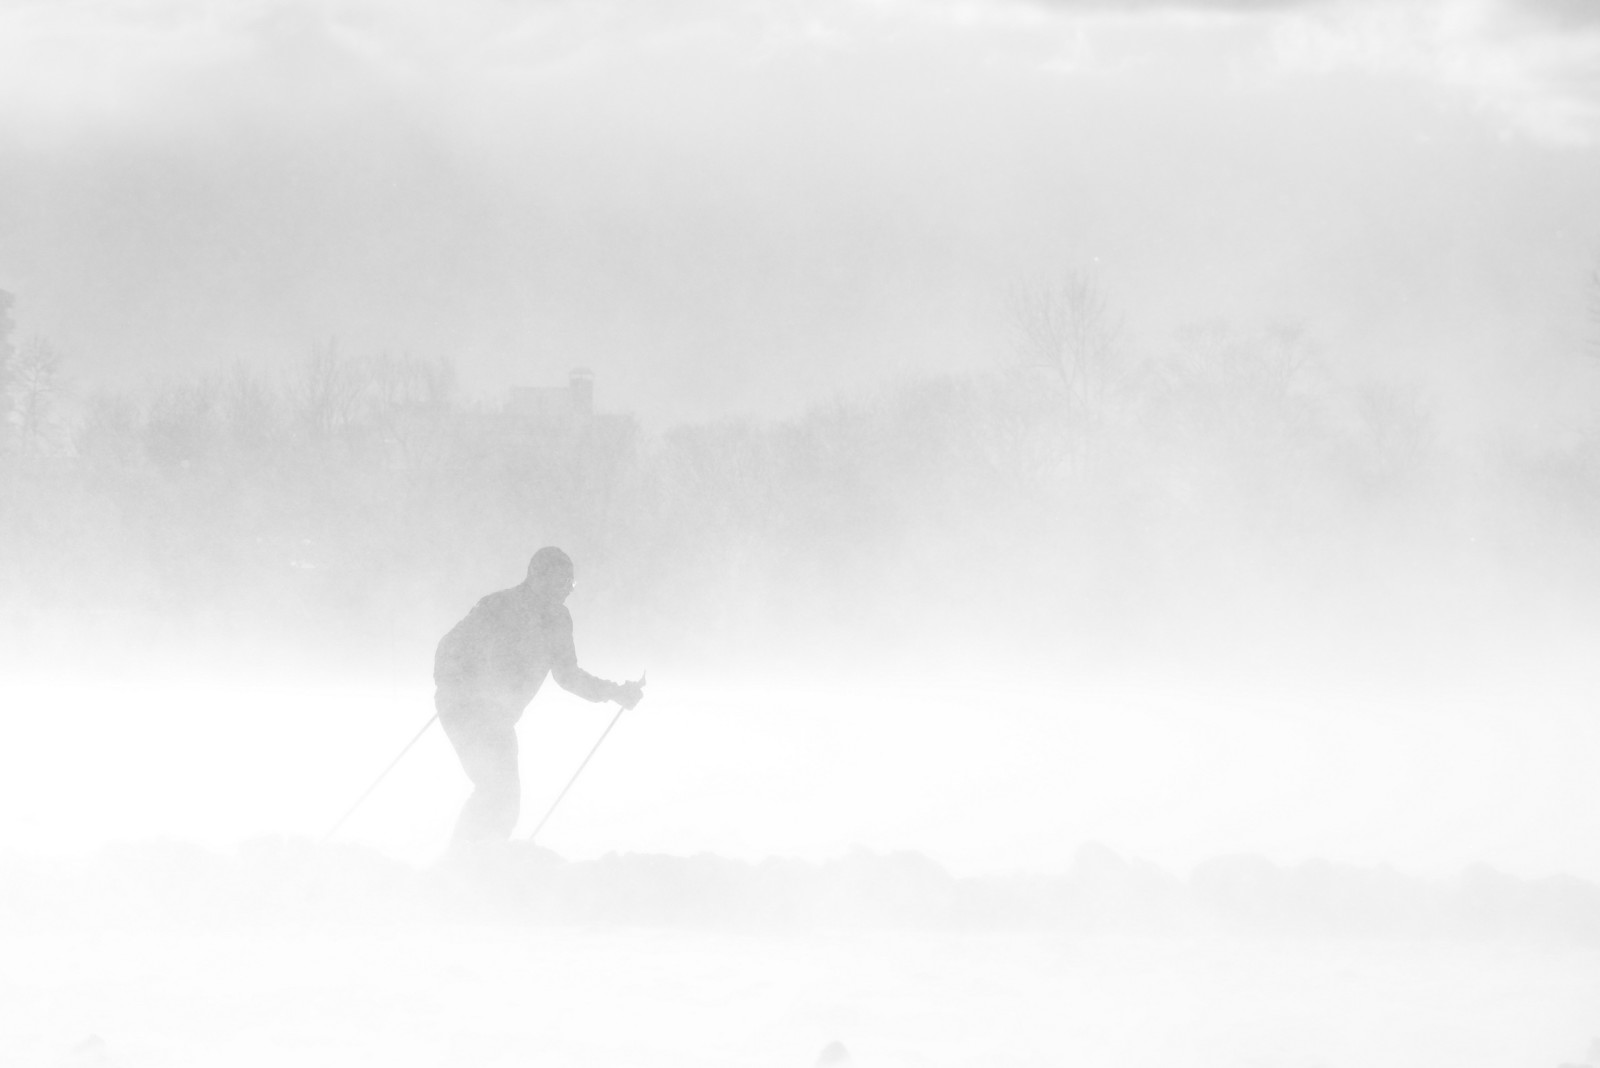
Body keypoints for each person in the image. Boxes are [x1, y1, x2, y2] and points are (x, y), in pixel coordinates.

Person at [433, 547, 644, 845]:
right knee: (498, 789)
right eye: (560, 583)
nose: (565, 591)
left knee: (501, 792)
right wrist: (461, 680)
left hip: (497, 717)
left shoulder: (557, 619)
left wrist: (615, 692)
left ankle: (476, 857)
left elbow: (568, 676)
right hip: (464, 706)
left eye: (570, 584)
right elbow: (448, 650)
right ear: (535, 576)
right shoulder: (498, 606)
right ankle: (470, 861)